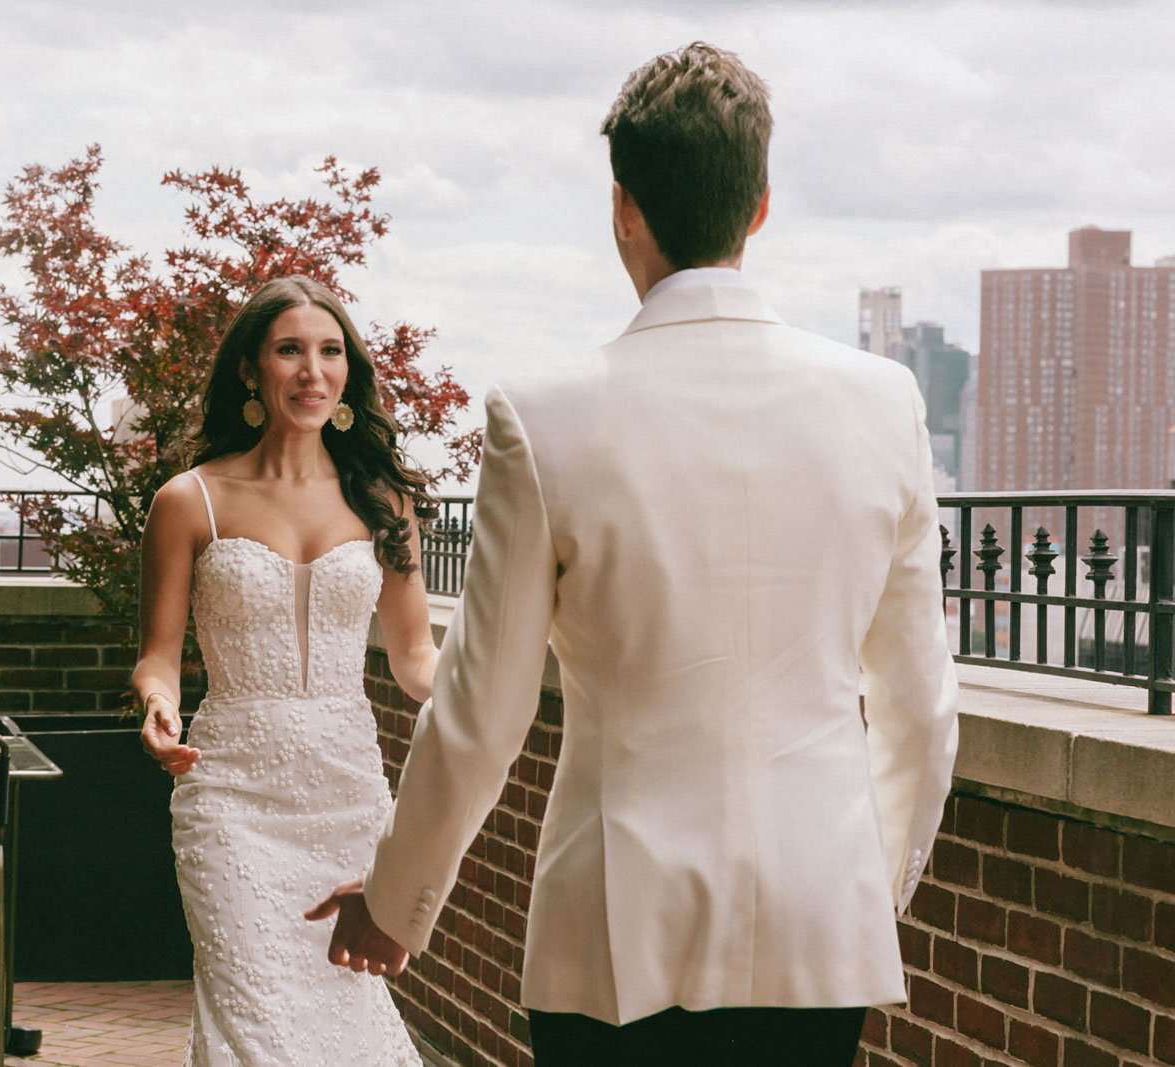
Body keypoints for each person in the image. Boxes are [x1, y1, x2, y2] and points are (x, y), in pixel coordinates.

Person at [308, 42, 960, 1067]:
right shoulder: (885, 404)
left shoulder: (545, 418)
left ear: (622, 207)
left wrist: (395, 903)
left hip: (614, 927)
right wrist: (863, 890)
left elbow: (483, 713)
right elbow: (920, 705)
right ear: (759, 207)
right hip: (817, 926)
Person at [135, 275, 435, 1066]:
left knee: (345, 1022)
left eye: (331, 351)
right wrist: (158, 705)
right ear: (250, 371)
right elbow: (158, 656)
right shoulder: (188, 500)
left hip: (346, 789)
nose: (313, 371)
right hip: (231, 790)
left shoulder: (383, 501)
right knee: (252, 1016)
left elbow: (414, 658)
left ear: (348, 373)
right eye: (290, 350)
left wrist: (490, 693)